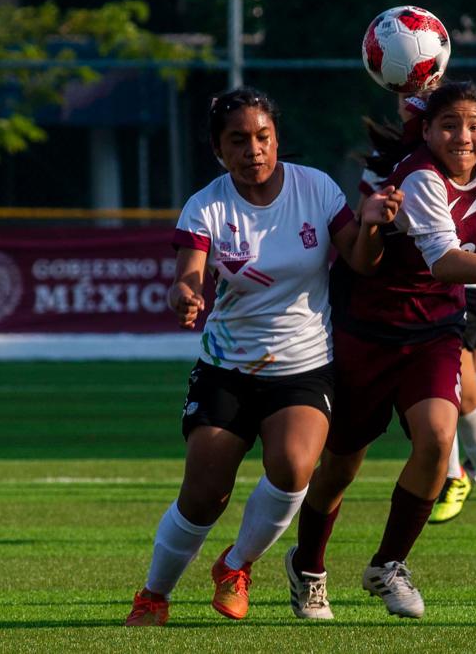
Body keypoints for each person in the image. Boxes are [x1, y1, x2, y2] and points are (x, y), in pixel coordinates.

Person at [286, 81, 476, 620]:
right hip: (368, 330)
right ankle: (309, 567)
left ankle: (387, 566)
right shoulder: (420, 175)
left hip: (435, 330)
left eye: (473, 126)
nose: (463, 137)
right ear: (428, 130)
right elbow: (443, 261)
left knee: (440, 438)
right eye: (449, 125)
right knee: (341, 465)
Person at [124, 87, 403, 626]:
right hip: (225, 369)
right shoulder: (207, 205)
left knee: (295, 467)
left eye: (263, 136)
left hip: (302, 365)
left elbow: (363, 263)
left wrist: (371, 223)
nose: (253, 149)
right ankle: (154, 595)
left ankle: (235, 565)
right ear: (218, 150)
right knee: (205, 495)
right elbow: (188, 272)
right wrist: (185, 294)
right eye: (238, 141)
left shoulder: (315, 188)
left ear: (276, 139)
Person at [359, 91, 476, 540]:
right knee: (465, 400)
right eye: (403, 91)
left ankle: (470, 480)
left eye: (419, 88)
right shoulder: (387, 163)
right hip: (416, 299)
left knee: (459, 398)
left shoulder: (469, 149)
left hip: (463, 290)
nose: (409, 100)